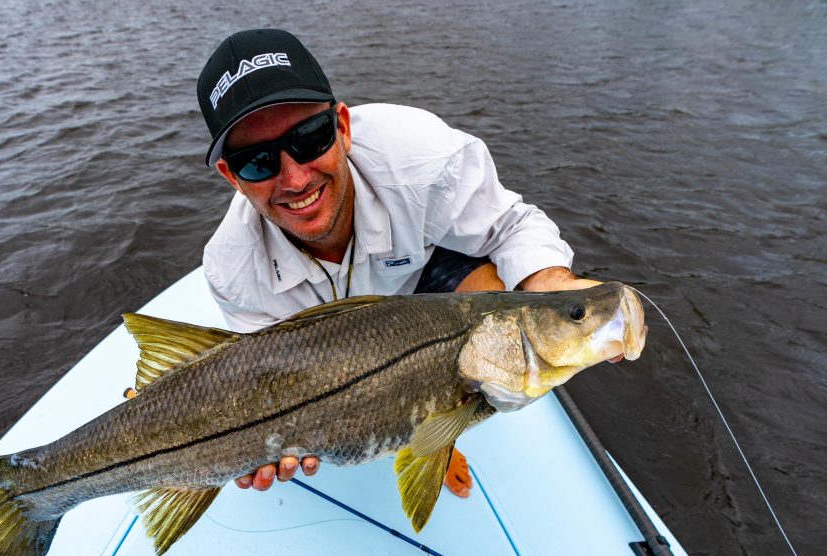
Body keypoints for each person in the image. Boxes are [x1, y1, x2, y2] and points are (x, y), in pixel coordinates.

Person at [197, 29, 600, 496]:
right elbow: (265, 378)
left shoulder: (424, 159)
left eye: (310, 137)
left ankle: (443, 432)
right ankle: (426, 436)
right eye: (256, 161)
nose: (294, 177)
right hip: (323, 351)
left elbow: (510, 226)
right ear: (231, 176)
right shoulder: (231, 269)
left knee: (503, 314)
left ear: (342, 127)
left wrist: (550, 282)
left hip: (422, 274)